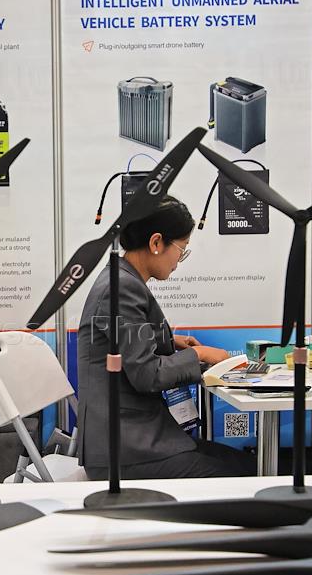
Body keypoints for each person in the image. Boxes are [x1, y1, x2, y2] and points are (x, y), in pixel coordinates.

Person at [76, 196, 256, 479]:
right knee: (246, 475)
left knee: (248, 466)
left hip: (133, 440)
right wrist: (198, 355)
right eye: (181, 250)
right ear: (156, 243)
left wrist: (173, 343)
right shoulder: (121, 288)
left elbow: (129, 345)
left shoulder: (122, 279)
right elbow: (147, 374)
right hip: (126, 450)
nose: (178, 262)